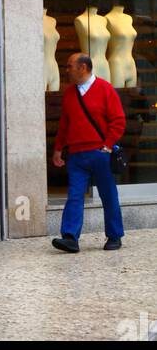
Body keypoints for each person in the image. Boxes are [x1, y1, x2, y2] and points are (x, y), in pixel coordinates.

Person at [51, 52, 126, 253]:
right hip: (76, 154)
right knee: (74, 195)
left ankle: (114, 235)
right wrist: (58, 149)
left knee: (108, 194)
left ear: (83, 68)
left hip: (100, 152)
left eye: (69, 66)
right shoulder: (69, 93)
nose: (66, 70)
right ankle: (70, 237)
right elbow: (65, 125)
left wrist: (107, 146)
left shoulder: (105, 89)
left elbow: (118, 121)